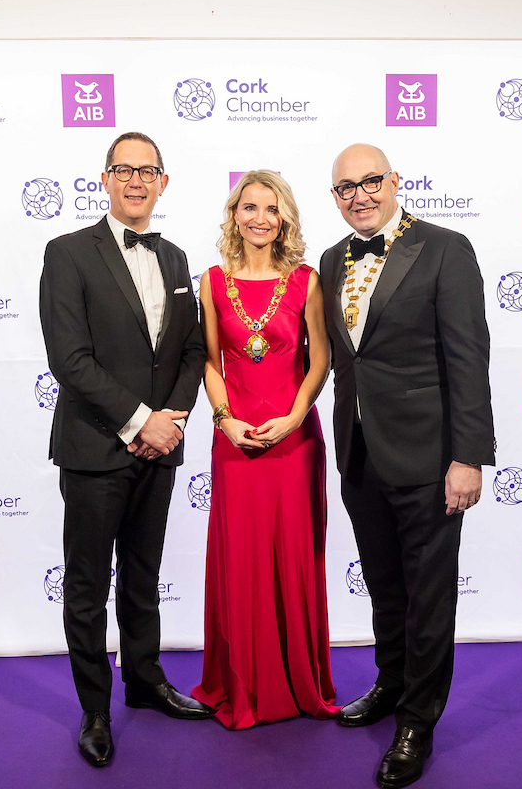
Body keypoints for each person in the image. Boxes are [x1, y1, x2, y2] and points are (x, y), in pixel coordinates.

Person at [319, 145, 495, 789]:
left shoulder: (446, 249)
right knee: (385, 586)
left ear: (395, 181)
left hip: (429, 457)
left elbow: (468, 358)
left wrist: (468, 457)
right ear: (334, 197)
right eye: (345, 187)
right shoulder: (331, 261)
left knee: (428, 596)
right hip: (360, 451)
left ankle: (418, 722)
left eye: (370, 181)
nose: (359, 195)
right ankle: (390, 684)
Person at [38, 131, 214, 768]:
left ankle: (144, 681)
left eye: (148, 171)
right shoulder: (67, 253)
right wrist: (140, 422)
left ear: (163, 183)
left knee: (142, 577)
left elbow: (192, 349)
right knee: (88, 586)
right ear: (105, 179)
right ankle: (95, 709)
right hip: (96, 448)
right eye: (124, 170)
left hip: (159, 449)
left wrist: (170, 421)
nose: (136, 181)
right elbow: (70, 359)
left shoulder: (176, 258)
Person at [190, 170, 340, 730]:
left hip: (294, 440)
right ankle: (242, 685)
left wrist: (295, 418)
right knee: (241, 560)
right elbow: (210, 362)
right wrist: (224, 419)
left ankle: (298, 682)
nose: (259, 218)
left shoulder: (306, 280)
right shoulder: (211, 282)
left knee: (294, 559)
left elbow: (320, 359)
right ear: (234, 215)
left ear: (285, 219)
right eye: (249, 207)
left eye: (271, 209)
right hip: (235, 440)